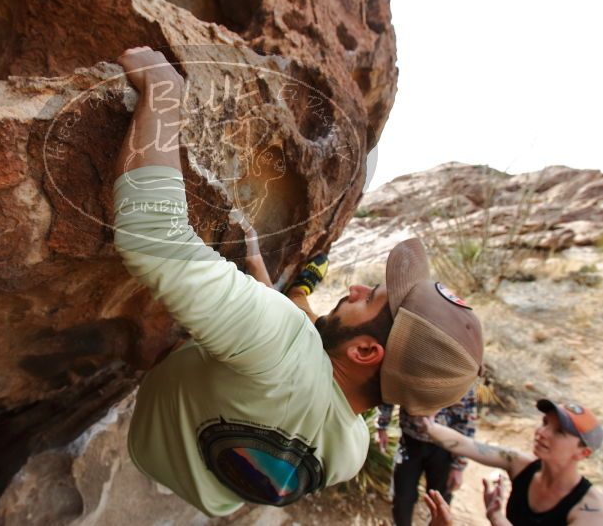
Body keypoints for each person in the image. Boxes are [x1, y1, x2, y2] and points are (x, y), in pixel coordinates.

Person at [113, 46, 484, 516]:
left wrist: (164, 93)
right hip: (201, 488)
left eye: (369, 298)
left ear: (367, 352)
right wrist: (265, 283)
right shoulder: (351, 450)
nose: (354, 290)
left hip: (149, 434)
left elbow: (152, 240)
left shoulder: (284, 340)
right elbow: (297, 380)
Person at [421, 399, 603, 525]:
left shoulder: (590, 509)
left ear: (583, 452)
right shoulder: (520, 464)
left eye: (559, 432)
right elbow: (466, 445)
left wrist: (496, 517)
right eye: (545, 422)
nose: (542, 432)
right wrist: (428, 425)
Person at [377, 389, 477, 526]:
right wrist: (382, 425)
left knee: (440, 501)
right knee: (402, 498)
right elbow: (391, 388)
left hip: (444, 447)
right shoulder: (410, 367)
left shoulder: (460, 371)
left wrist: (458, 466)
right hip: (409, 442)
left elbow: (467, 418)